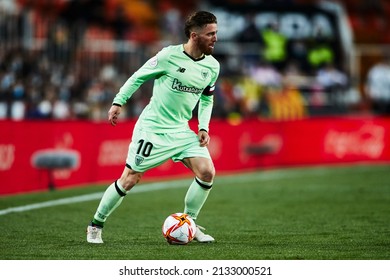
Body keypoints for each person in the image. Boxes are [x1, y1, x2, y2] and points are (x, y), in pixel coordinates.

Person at [86, 11, 220, 244]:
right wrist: (118, 101)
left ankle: (189, 223)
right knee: (129, 178)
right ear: (194, 35)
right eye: (210, 34)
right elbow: (138, 76)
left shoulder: (212, 66)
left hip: (180, 130)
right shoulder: (169, 56)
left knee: (207, 172)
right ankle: (95, 225)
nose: (215, 38)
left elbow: (207, 98)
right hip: (153, 129)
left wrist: (203, 127)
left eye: (216, 33)